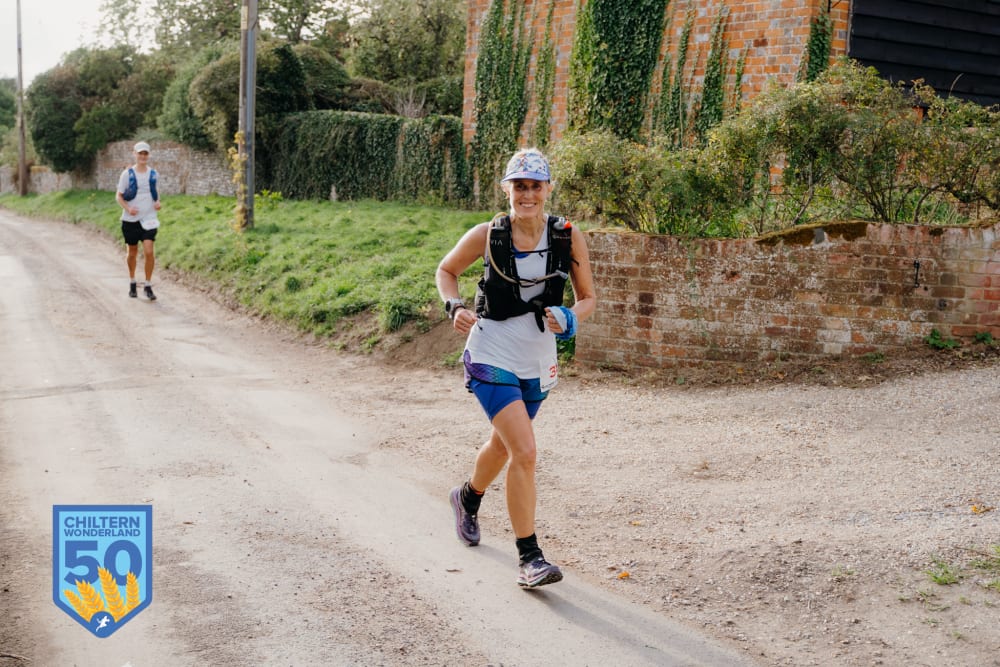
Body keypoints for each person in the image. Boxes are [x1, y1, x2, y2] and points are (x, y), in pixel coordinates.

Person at [436, 148, 597, 588]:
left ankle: (466, 497)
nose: (527, 194)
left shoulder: (566, 236)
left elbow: (588, 298)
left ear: (547, 189)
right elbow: (446, 270)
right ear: (505, 189)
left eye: (535, 186)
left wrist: (570, 317)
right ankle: (530, 558)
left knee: (504, 445)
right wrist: (455, 306)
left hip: (537, 360)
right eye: (519, 186)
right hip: (490, 354)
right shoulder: (487, 235)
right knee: (524, 451)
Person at [116, 141, 162, 300]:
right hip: (130, 220)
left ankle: (148, 285)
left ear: (149, 155)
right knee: (132, 253)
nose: (143, 156)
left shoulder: (154, 174)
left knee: (149, 251)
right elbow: (119, 196)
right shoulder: (127, 174)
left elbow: (155, 191)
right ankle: (132, 281)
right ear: (134, 154)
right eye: (140, 153)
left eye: (145, 153)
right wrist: (128, 209)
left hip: (149, 219)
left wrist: (157, 202)